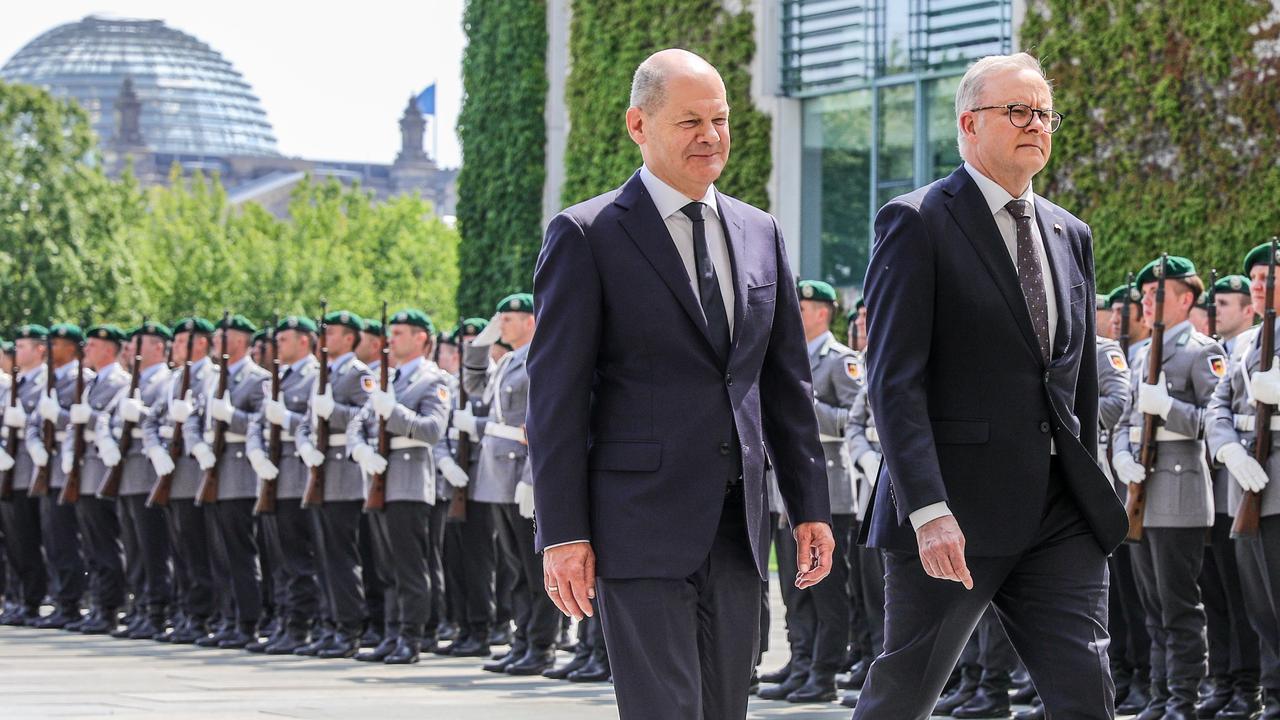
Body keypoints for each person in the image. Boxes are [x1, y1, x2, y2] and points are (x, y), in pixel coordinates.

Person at [528, 48, 834, 720]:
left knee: (723, 709)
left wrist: (810, 505)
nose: (711, 136)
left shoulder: (760, 232)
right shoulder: (588, 234)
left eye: (721, 120)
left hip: (739, 528)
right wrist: (564, 532)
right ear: (639, 125)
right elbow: (556, 401)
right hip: (637, 525)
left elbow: (785, 384)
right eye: (690, 121)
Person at [853, 52, 1128, 719]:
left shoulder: (1071, 233)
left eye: (1043, 113)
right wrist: (927, 510)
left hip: (1061, 512)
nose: (1035, 123)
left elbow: (1078, 379)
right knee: (904, 695)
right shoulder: (916, 222)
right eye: (1017, 111)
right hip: (954, 516)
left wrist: (1090, 485)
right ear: (969, 125)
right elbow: (895, 381)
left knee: (1087, 699)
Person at [1205, 242, 1280, 719]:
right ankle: (1273, 692)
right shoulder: (1250, 342)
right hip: (1246, 478)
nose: (1257, 284)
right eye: (1253, 278)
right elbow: (1218, 404)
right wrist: (1228, 447)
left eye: (1267, 276)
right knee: (1260, 601)